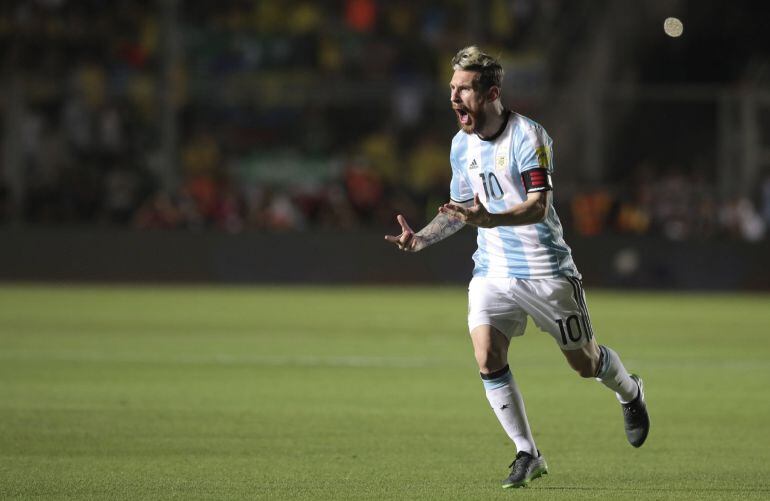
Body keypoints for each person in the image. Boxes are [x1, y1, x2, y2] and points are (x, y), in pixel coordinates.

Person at [384, 46, 649, 489]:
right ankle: (528, 452)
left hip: (546, 271)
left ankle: (631, 391)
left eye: (464, 90)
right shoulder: (459, 145)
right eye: (451, 89)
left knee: (585, 364)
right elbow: (460, 209)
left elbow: (537, 206)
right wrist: (421, 240)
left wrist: (490, 218)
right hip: (492, 269)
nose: (454, 99)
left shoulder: (530, 137)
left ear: (491, 93)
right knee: (487, 354)